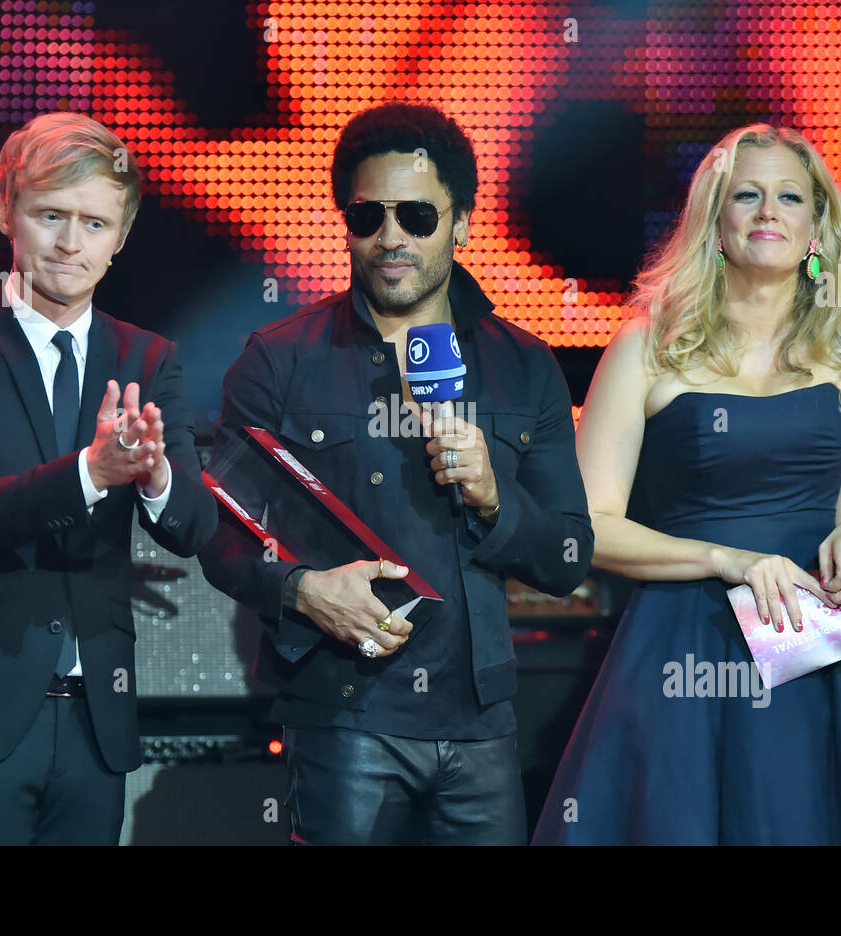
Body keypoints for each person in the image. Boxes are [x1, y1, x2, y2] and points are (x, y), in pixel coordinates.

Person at [532, 124, 841, 845]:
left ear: (816, 226)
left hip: (825, 640)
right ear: (715, 221)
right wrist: (727, 561)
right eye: (747, 195)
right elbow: (587, 524)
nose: (768, 211)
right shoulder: (647, 345)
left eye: (788, 196)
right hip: (688, 640)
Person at [198, 102, 593, 845]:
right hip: (344, 717)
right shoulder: (279, 358)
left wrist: (494, 499)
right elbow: (219, 534)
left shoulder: (524, 365)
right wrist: (304, 591)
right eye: (367, 216)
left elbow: (567, 557)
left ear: (462, 223)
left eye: (416, 215)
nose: (391, 238)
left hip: (480, 726)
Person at [0, 112, 218, 844]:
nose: (69, 243)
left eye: (95, 223)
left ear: (120, 237)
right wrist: (94, 471)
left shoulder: (150, 359)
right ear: (6, 211)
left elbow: (193, 527)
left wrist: (154, 477)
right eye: (50, 215)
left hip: (95, 727)